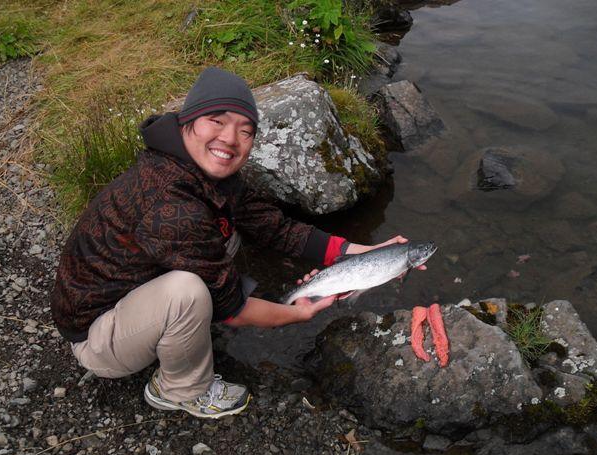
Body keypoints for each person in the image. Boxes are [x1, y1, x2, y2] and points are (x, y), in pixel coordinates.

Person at [51, 67, 424, 419]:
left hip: (130, 295)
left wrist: (363, 254)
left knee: (222, 246)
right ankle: (179, 389)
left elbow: (274, 227)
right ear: (188, 120)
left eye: (245, 130)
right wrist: (295, 312)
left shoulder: (195, 169)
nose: (230, 139)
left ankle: (176, 331)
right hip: (97, 338)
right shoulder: (172, 202)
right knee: (189, 292)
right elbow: (233, 309)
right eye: (217, 121)